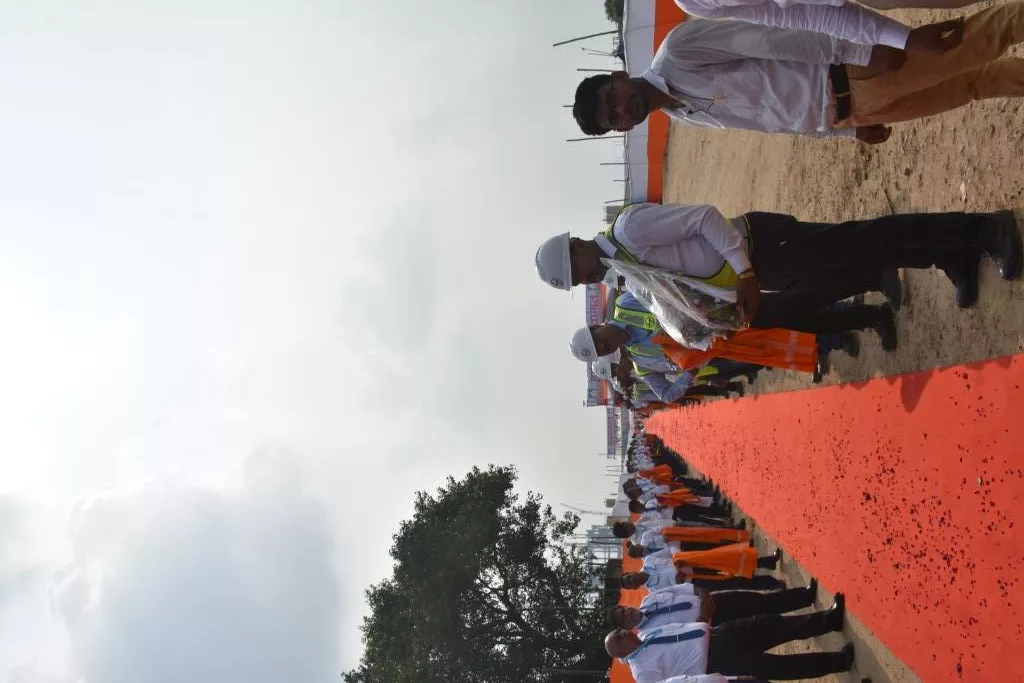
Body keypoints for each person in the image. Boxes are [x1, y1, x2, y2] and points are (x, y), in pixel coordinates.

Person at [571, 5, 1024, 144]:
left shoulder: (677, 53)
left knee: (979, 40)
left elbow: (771, 38)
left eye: (612, 98)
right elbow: (774, 121)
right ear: (623, 128)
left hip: (851, 72)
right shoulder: (683, 115)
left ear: (618, 76)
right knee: (970, 86)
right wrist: (848, 132)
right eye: (615, 118)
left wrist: (863, 50)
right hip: (849, 112)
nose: (622, 110)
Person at [538, 203, 1021, 330]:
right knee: (866, 254)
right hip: (762, 272)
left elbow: (704, 218)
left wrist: (745, 273)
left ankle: (983, 229)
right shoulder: (626, 268)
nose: (587, 279)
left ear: (577, 244)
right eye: (579, 282)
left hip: (762, 246)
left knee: (870, 238)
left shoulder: (630, 230)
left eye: (579, 270)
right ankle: (948, 253)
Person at [604, 610, 854, 681]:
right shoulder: (642, 672)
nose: (622, 631)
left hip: (720, 634)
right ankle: (839, 662)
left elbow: (678, 630)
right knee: (778, 667)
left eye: (618, 631)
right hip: (719, 660)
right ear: (620, 651)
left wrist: (704, 626)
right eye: (618, 636)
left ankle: (829, 620)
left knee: (772, 624)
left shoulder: (646, 634)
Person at [608, 578, 821, 628]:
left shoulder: (649, 599)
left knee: (759, 601)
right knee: (765, 621)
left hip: (713, 600)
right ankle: (810, 619)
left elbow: (680, 589)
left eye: (624, 610)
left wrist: (701, 592)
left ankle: (804, 596)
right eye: (624, 618)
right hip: (714, 622)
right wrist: (704, 617)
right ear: (625, 627)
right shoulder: (649, 634)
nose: (628, 613)